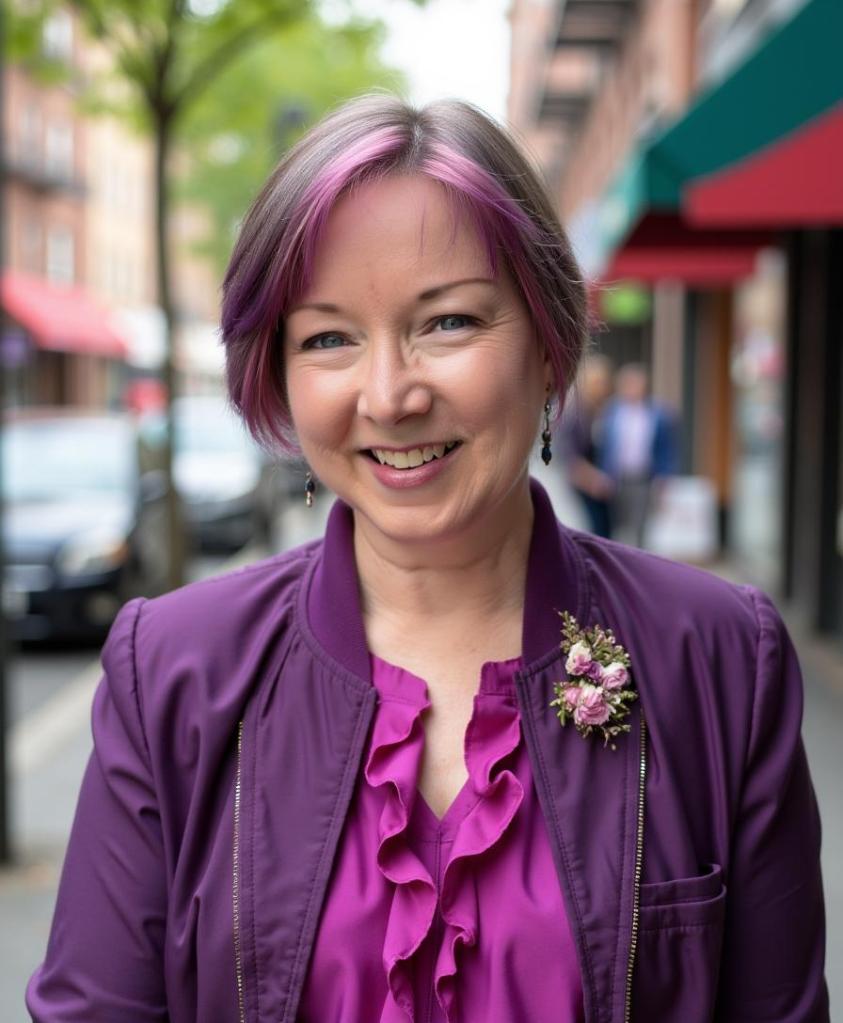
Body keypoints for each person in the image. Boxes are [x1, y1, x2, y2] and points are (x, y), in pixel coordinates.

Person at [27, 95, 828, 1023]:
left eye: (446, 322)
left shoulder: (718, 657)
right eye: (328, 337)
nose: (389, 394)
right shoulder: (172, 670)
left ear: (548, 342)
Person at [598, 362, 678, 548]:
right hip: (616, 477)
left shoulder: (658, 414)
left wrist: (664, 477)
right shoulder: (611, 412)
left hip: (643, 478)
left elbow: (666, 447)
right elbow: (603, 446)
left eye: (636, 384)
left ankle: (637, 559)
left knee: (640, 525)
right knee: (617, 526)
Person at [557, 353, 616, 537]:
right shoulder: (575, 413)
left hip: (604, 486)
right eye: (598, 383)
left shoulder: (606, 410)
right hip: (586, 487)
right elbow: (569, 455)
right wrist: (592, 479)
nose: (603, 388)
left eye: (606, 382)